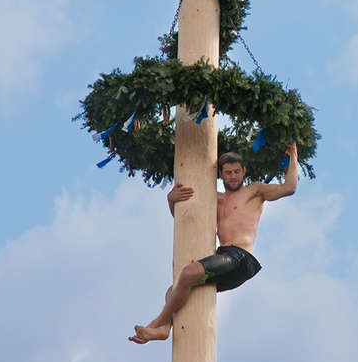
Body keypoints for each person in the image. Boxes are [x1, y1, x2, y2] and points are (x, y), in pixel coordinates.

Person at [128, 143, 298, 344]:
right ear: (221, 175)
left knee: (188, 273)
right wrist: (170, 200)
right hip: (224, 257)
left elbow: (289, 188)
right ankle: (165, 329)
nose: (233, 176)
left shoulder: (254, 191)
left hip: (241, 258)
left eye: (236, 171)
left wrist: (293, 156)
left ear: (244, 172)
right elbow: (184, 220)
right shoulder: (213, 199)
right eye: (228, 172)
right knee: (173, 290)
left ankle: (156, 324)